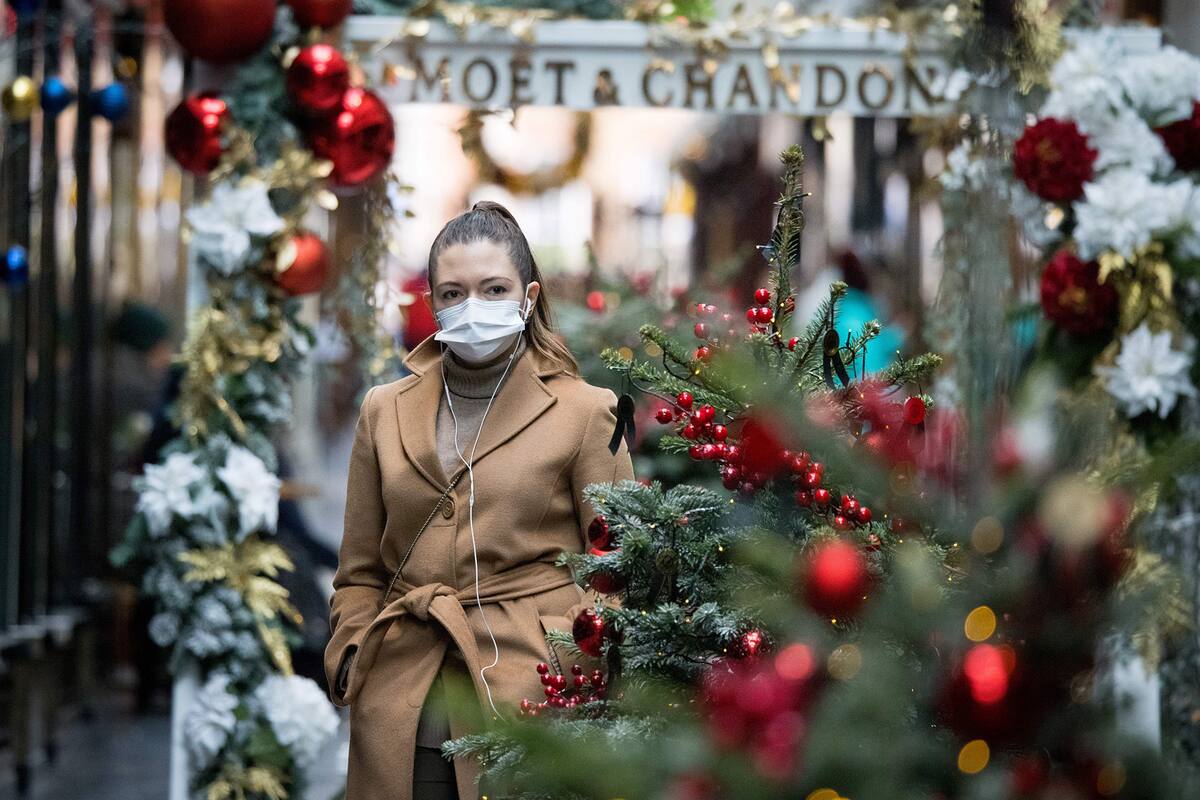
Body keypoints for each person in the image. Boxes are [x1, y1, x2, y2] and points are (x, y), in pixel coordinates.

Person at [324, 200, 635, 800]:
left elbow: (618, 570)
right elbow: (358, 571)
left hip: (529, 695)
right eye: (453, 293)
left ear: (528, 296)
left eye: (494, 289)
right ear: (433, 302)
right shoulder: (383, 410)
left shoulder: (586, 411)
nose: (473, 307)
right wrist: (354, 649)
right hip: (401, 700)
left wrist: (572, 662)